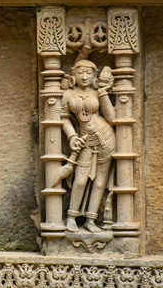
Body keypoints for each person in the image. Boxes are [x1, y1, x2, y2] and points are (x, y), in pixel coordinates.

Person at [61, 59, 115, 233]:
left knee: (99, 183)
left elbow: (112, 119)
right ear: (73, 74)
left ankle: (91, 220)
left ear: (95, 75)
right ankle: (71, 217)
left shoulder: (97, 92)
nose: (84, 77)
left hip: (106, 138)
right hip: (85, 140)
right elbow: (63, 118)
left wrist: (104, 93)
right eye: (80, 73)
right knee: (80, 180)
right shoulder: (68, 94)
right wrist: (71, 136)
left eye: (88, 73)